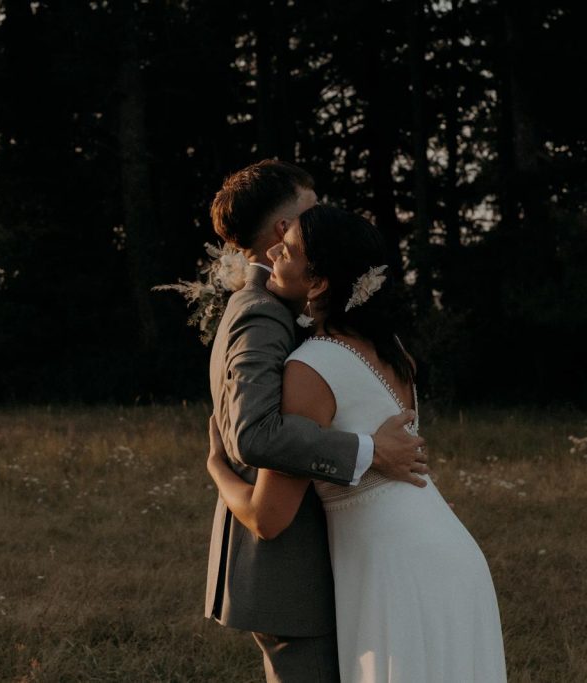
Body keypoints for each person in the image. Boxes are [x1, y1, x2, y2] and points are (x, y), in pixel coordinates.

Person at [207, 204, 507, 683]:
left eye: (287, 250)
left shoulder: (308, 369)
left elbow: (268, 516)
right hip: (450, 551)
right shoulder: (392, 350)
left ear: (320, 283)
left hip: (392, 570)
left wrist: (218, 468)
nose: (272, 252)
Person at [203, 160, 428, 683]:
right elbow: (253, 433)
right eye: (310, 209)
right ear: (284, 230)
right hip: (292, 570)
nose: (323, 216)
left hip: (334, 556)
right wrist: (369, 450)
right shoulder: (262, 311)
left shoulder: (300, 312)